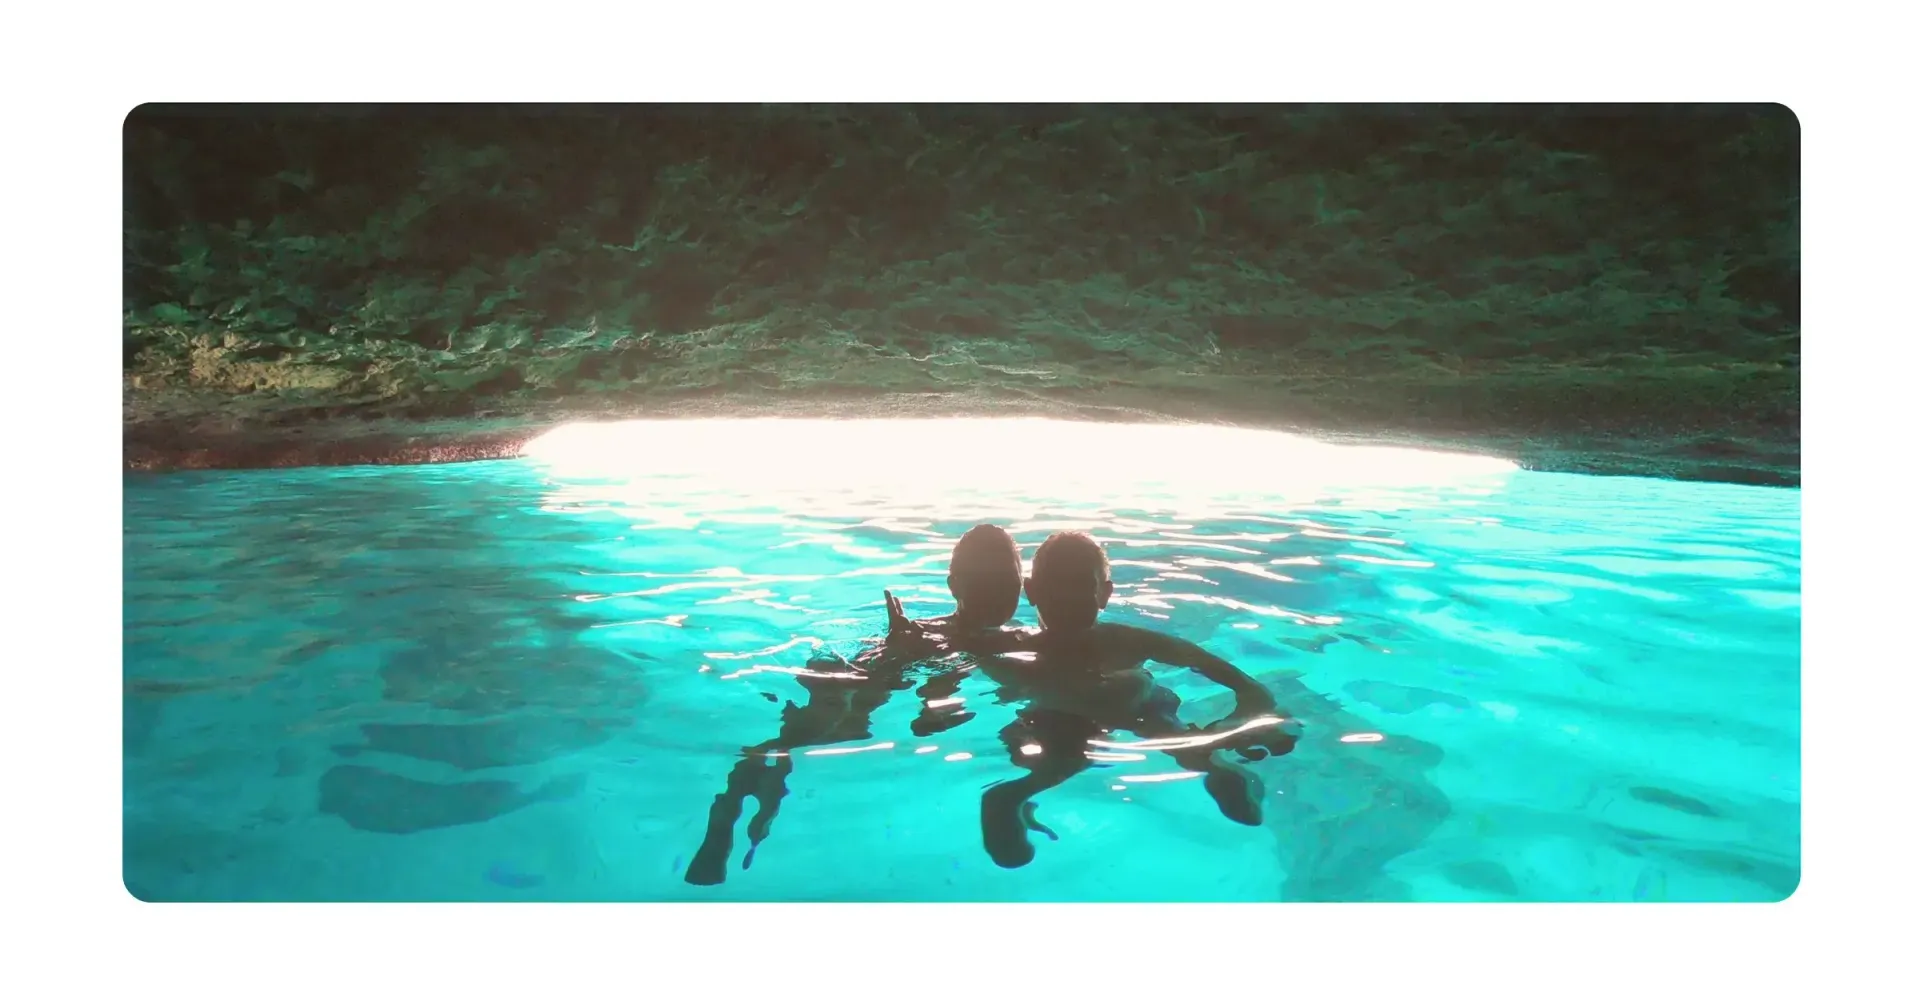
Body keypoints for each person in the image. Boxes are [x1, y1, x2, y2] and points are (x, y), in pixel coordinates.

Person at [684, 523, 1028, 887]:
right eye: (986, 582)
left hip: (849, 673)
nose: (995, 594)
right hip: (860, 680)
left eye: (1005, 582)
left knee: (790, 741)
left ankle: (732, 808)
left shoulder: (933, 632)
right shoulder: (955, 640)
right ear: (953, 586)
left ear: (1022, 586)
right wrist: (942, 708)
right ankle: (736, 809)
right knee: (807, 737)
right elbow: (927, 719)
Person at [946, 530, 1299, 869]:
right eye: (1058, 587)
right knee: (1038, 740)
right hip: (1088, 711)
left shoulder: (1124, 640)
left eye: (1081, 587)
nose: (1068, 599)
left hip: (1134, 704)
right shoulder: (1033, 643)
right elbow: (960, 644)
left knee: (1129, 730)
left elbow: (1224, 672)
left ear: (1106, 594)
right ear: (1033, 591)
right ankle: (1214, 768)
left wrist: (1250, 709)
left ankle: (1013, 795)